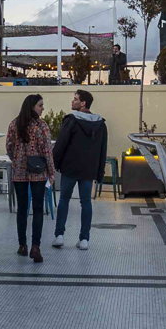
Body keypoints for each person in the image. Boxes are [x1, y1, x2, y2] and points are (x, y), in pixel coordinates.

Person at [51, 89, 107, 251]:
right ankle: (84, 239)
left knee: (64, 200)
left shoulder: (71, 121)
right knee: (86, 202)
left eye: (75, 99)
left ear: (83, 103)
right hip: (88, 170)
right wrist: (99, 172)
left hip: (70, 167)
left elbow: (61, 144)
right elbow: (103, 150)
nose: (72, 102)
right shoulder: (100, 125)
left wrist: (53, 163)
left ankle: (59, 236)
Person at [5, 93, 55, 263]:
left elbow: (9, 147)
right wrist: (51, 171)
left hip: (19, 171)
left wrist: (17, 159)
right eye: (40, 105)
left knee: (22, 209)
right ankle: (36, 246)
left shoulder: (14, 124)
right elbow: (47, 150)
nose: (43, 108)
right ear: (32, 106)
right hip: (38, 172)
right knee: (38, 209)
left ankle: (22, 246)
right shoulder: (41, 126)